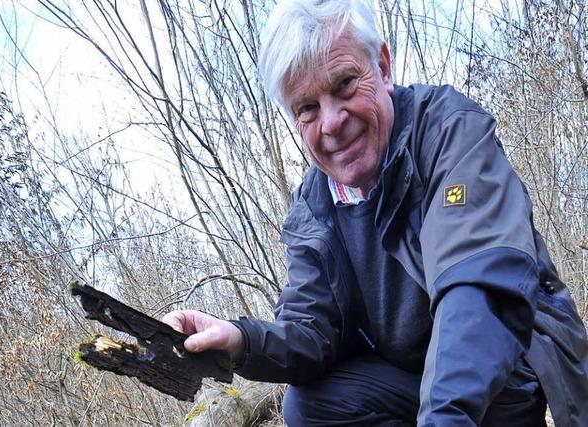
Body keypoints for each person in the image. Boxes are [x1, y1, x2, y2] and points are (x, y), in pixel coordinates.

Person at [163, 0, 588, 425]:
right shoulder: (315, 206)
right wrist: (241, 341)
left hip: (508, 368)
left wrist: (443, 418)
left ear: (382, 67)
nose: (331, 122)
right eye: (307, 107)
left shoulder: (449, 134)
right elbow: (312, 329)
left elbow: (476, 289)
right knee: (310, 406)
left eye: (345, 83)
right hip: (415, 381)